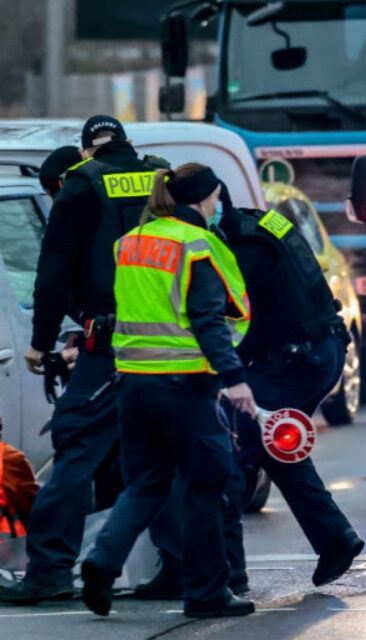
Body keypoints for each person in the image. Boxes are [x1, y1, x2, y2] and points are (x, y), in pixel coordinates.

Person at [137, 192, 365, 599]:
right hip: (320, 349)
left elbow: (239, 321)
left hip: (296, 359)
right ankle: (335, 539)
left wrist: (220, 374)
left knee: (228, 452)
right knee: (272, 442)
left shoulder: (234, 245)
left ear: (207, 202)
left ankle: (223, 574)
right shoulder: (259, 223)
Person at [1, 117, 168, 605]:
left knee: (75, 447)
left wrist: (41, 342)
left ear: (86, 149)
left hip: (110, 338)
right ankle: (191, 568)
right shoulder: (162, 176)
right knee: (171, 452)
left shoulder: (80, 186)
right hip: (175, 342)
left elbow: (52, 274)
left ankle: (50, 569)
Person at [78, 163, 256, 619]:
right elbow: (208, 319)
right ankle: (207, 593)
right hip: (186, 385)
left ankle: (102, 560)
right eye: (216, 197)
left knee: (147, 483)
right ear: (202, 198)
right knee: (207, 485)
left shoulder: (131, 242)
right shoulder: (196, 245)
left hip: (134, 383)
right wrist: (235, 379)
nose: (218, 206)